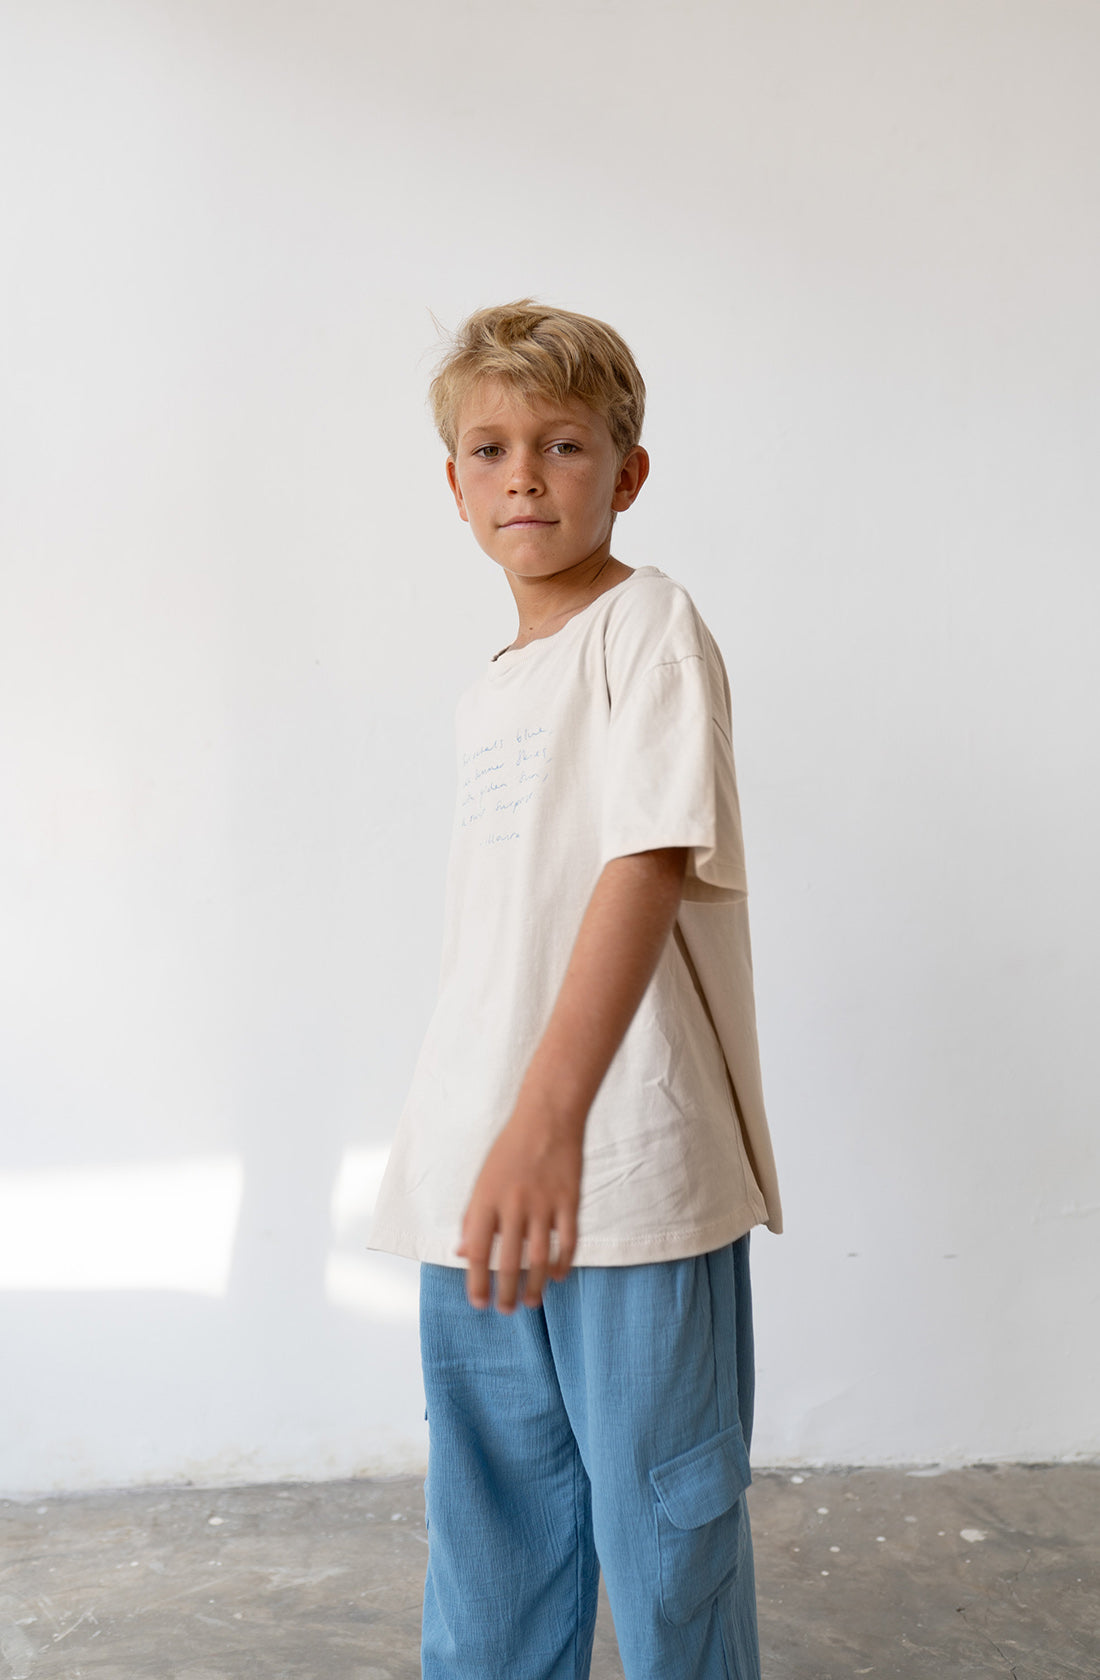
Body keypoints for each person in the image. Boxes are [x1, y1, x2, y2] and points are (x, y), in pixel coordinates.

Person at [368, 299, 783, 1680]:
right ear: (453, 489)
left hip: (628, 1175)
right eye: (490, 449)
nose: (526, 475)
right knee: (492, 1538)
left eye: (564, 443)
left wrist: (552, 1125)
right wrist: (490, 1139)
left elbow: (645, 863)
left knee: (667, 1539)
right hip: (482, 1182)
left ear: (629, 471)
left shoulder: (646, 627)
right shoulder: (497, 685)